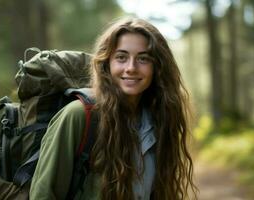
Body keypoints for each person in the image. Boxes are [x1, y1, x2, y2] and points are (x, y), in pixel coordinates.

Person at [30, 17, 197, 200]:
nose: (131, 68)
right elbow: (43, 194)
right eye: (121, 57)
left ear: (157, 67)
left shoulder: (159, 121)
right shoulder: (79, 116)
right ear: (106, 63)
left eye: (143, 59)